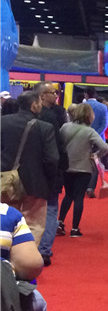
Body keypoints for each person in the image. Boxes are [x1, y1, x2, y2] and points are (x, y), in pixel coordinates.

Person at [0, 89, 61, 246]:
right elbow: (52, 159)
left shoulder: (2, 122)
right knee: (33, 224)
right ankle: (25, 256)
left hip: (5, 180)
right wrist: (49, 181)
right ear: (34, 105)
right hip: (35, 183)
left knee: (4, 219)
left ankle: (4, 255)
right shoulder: (45, 127)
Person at [57, 103, 108, 237]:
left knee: (68, 195)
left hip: (66, 166)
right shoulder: (89, 131)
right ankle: (75, 229)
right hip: (83, 167)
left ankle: (60, 222)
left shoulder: (65, 127)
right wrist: (96, 155)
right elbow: (104, 147)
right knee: (79, 197)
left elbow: (59, 144)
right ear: (89, 116)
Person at [33, 82, 67, 267]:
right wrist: (61, 167)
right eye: (53, 93)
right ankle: (44, 250)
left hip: (32, 170)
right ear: (42, 95)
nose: (56, 95)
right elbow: (56, 148)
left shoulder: (34, 115)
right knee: (51, 209)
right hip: (49, 170)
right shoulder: (50, 117)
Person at [82, 88, 108, 197]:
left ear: (85, 94)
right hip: (99, 140)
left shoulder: (82, 107)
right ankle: (90, 187)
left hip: (83, 138)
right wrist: (95, 135)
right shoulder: (103, 107)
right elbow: (104, 124)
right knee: (95, 163)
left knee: (83, 163)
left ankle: (83, 186)